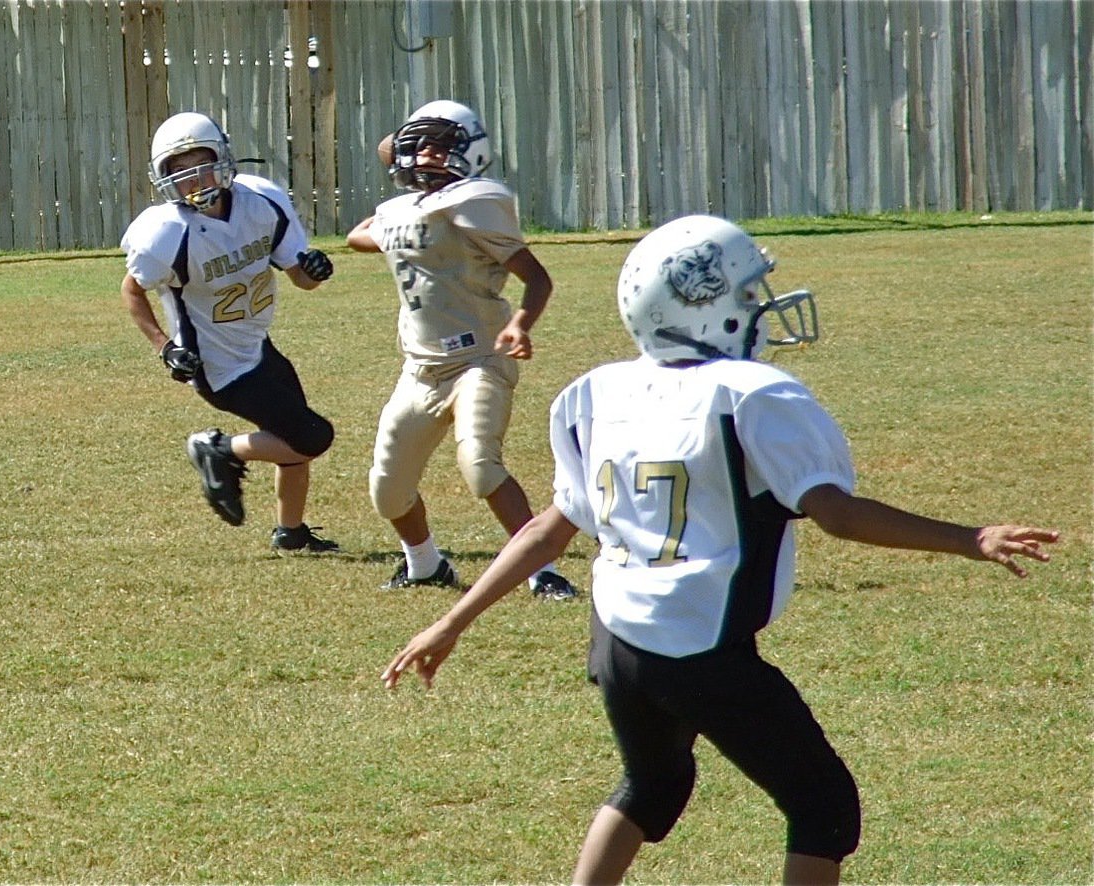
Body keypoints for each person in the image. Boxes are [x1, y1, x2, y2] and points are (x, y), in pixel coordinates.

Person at [382, 214, 1059, 884]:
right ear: (707, 307)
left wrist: (452, 620)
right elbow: (837, 515)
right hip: (698, 646)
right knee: (822, 804)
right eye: (745, 294)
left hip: (617, 641)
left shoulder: (598, 391)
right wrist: (969, 538)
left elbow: (548, 529)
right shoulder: (752, 395)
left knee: (653, 784)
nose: (757, 307)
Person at [346, 99, 578, 599]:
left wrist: (520, 323)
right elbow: (357, 235)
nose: (428, 154)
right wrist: (405, 204)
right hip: (422, 367)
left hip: (480, 357)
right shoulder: (397, 211)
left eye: (441, 145)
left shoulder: (475, 201)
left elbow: (536, 278)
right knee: (387, 489)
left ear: (469, 153)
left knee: (479, 462)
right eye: (420, 144)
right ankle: (425, 565)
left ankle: (543, 571)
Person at [120, 111, 338, 554]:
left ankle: (291, 532)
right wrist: (165, 348)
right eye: (179, 172)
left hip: (257, 344)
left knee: (292, 440)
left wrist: (314, 270)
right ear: (163, 181)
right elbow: (132, 291)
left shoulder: (263, 200)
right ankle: (218, 449)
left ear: (223, 159)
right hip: (217, 366)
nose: (193, 180)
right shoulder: (165, 232)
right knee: (313, 436)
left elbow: (301, 278)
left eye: (201, 164)